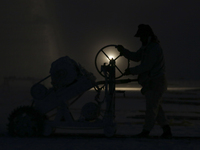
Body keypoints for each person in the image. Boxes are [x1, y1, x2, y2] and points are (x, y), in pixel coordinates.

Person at [116, 24, 172, 138]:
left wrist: (131, 71)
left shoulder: (154, 49)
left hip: (156, 82)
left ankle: (146, 131)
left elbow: (146, 66)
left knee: (152, 108)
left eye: (141, 37)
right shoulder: (147, 47)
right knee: (156, 108)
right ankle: (166, 130)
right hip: (151, 82)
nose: (140, 39)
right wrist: (124, 51)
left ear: (147, 36)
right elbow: (136, 56)